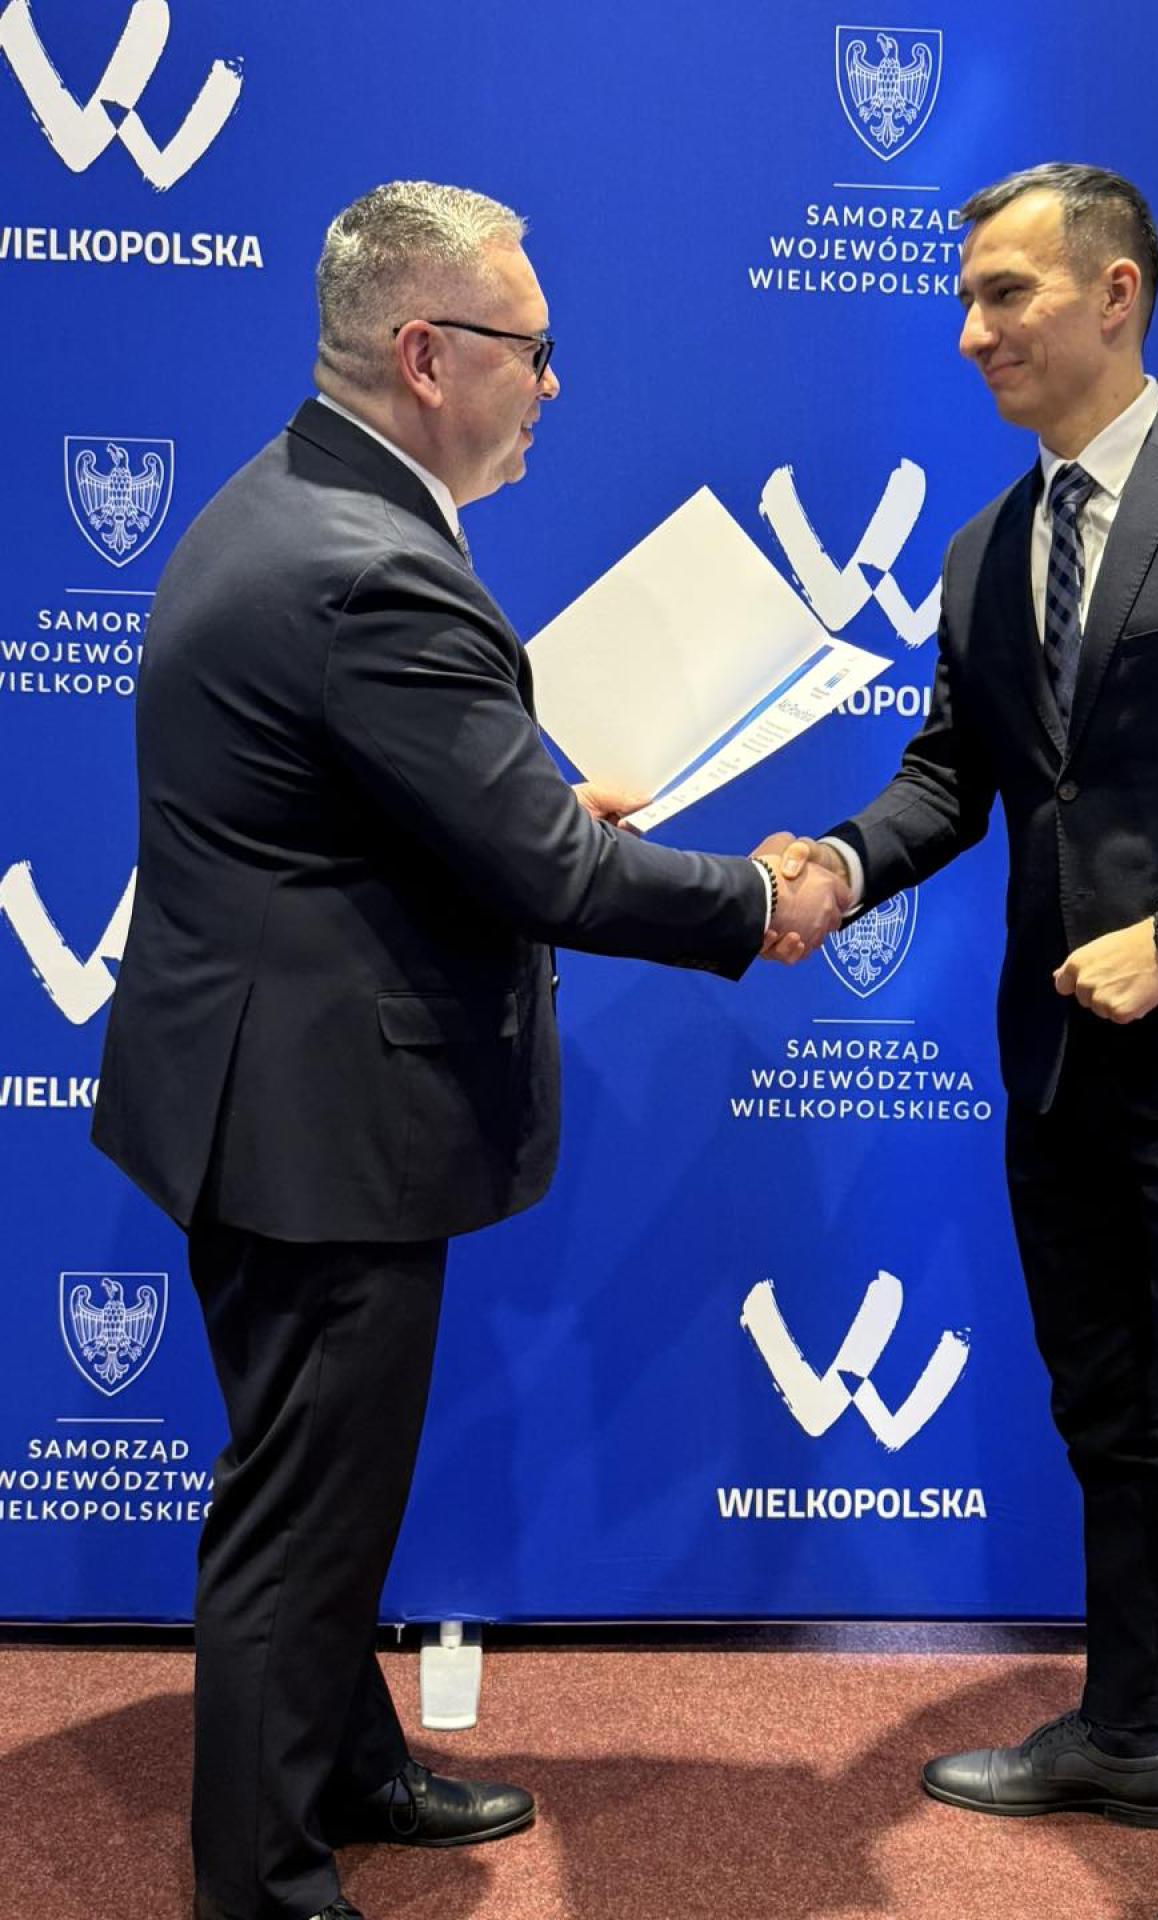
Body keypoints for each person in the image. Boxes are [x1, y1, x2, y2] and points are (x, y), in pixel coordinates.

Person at [91, 180, 847, 1920]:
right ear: (429, 355)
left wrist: (529, 816)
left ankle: (346, 1769)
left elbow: (391, 811)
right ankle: (260, 1886)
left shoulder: (294, 502)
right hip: (315, 1121)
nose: (554, 384)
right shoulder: (373, 568)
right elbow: (551, 871)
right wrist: (759, 897)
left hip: (269, 1095)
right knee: (301, 1516)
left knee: (323, 1492)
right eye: (534, 347)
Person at [758, 162, 1158, 1920]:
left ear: (1116, 293)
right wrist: (838, 866)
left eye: (1007, 295)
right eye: (964, 300)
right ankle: (1130, 1731)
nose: (971, 333)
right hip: (1060, 1069)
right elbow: (952, 779)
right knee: (1109, 1428)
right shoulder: (985, 548)